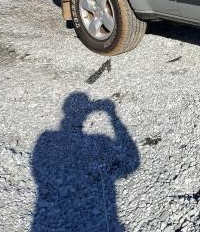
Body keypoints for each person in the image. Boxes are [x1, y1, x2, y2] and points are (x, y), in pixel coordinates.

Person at [31, 93, 139, 231]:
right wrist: (113, 116)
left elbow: (37, 172)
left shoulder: (45, 138)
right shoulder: (101, 139)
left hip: (48, 214)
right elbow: (132, 162)